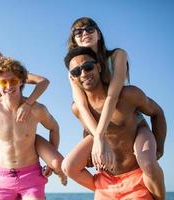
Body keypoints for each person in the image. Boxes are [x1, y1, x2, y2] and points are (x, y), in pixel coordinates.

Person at [66, 17, 165, 199]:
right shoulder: (74, 68)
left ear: (99, 33)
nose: (85, 34)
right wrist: (94, 138)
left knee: (148, 163)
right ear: (73, 40)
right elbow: (82, 105)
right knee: (68, 165)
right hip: (100, 126)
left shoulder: (117, 55)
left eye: (89, 29)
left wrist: (159, 147)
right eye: (78, 32)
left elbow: (113, 95)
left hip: (128, 118)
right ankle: (107, 188)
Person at [0, 48, 67, 196]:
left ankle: (59, 172)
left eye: (13, 81)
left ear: (21, 81)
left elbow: (43, 82)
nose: (9, 86)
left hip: (30, 148)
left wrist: (28, 104)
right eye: (3, 82)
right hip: (4, 173)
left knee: (59, 164)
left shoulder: (35, 108)